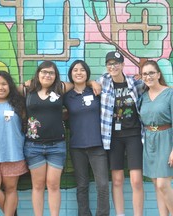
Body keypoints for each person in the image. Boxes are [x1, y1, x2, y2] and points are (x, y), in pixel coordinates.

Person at [22, 60, 74, 216]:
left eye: (51, 73)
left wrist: (92, 82)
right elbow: (5, 90)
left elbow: (78, 83)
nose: (47, 75)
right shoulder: (27, 90)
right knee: (37, 185)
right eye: (44, 72)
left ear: (55, 76)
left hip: (56, 146)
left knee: (53, 185)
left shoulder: (60, 88)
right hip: (33, 146)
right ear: (38, 74)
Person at [97, 51, 144, 216]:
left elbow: (152, 87)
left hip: (134, 135)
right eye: (110, 64)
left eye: (116, 63)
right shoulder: (102, 82)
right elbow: (85, 82)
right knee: (117, 180)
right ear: (106, 66)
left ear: (123, 65)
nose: (113, 66)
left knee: (136, 181)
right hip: (113, 137)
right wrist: (90, 82)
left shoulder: (133, 83)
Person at [63, 60, 109, 216]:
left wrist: (92, 83)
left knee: (102, 185)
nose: (79, 72)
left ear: (87, 73)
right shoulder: (67, 96)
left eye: (82, 70)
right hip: (77, 147)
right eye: (75, 70)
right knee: (82, 185)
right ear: (71, 74)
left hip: (97, 146)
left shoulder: (96, 91)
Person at [0, 71, 28, 216]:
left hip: (13, 154)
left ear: (10, 86)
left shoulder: (19, 104)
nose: (0, 87)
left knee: (11, 189)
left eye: (4, 84)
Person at [139, 60, 173, 216]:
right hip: (150, 141)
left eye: (151, 73)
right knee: (155, 184)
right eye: (145, 74)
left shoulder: (170, 93)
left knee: (163, 184)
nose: (148, 76)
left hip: (166, 140)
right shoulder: (143, 97)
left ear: (158, 74)